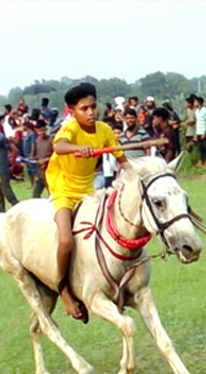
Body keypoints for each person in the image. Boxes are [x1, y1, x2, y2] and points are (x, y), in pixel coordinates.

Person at [46, 83, 129, 322]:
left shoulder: (104, 131)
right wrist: (77, 148)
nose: (91, 112)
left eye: (93, 107)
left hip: (90, 191)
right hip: (63, 191)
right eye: (84, 109)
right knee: (65, 241)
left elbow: (122, 160)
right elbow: (59, 146)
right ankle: (64, 292)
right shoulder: (69, 129)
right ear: (72, 110)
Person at [31, 120, 53, 198]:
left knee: (52, 195)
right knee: (35, 195)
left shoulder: (51, 140)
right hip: (39, 173)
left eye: (43, 130)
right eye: (39, 131)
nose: (41, 133)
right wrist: (36, 161)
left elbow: (57, 155)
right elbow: (33, 157)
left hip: (51, 173)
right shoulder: (36, 142)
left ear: (46, 129)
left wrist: (46, 160)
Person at [194, 97, 206, 167]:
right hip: (198, 131)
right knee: (200, 148)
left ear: (199, 102)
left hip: (204, 132)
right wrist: (195, 133)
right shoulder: (197, 111)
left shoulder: (205, 110)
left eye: (195, 102)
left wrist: (205, 132)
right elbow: (197, 122)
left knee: (205, 147)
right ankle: (201, 160)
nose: (194, 103)